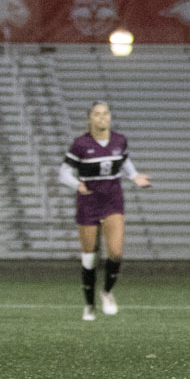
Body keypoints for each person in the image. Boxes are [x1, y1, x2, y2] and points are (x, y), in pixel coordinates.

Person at [58, 101, 151, 320]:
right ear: (90, 118)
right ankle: (89, 305)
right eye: (98, 115)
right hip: (88, 202)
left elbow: (125, 162)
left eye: (106, 114)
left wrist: (134, 176)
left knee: (116, 253)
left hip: (112, 200)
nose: (103, 118)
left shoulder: (119, 140)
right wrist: (76, 185)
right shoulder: (80, 144)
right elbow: (63, 174)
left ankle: (107, 292)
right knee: (89, 257)